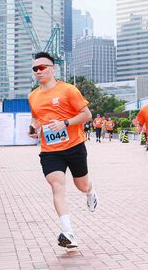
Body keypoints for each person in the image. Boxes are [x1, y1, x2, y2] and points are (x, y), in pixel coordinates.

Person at [27, 52, 97, 249]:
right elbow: (36, 118)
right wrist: (32, 128)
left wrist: (65, 123)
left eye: (42, 67)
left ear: (53, 68)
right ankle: (68, 233)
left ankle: (90, 191)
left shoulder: (68, 90)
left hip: (74, 146)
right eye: (35, 69)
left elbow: (87, 115)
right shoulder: (33, 96)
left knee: (82, 185)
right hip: (50, 150)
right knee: (57, 186)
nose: (38, 71)